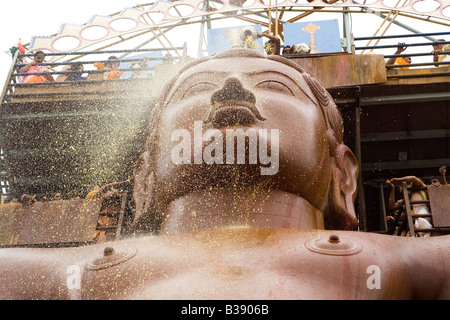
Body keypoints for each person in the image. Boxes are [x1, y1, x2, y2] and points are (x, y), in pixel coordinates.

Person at [0, 49, 449, 300]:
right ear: (144, 180)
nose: (229, 90)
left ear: (342, 174)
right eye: (195, 89)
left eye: (275, 86)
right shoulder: (60, 274)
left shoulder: (410, 263)